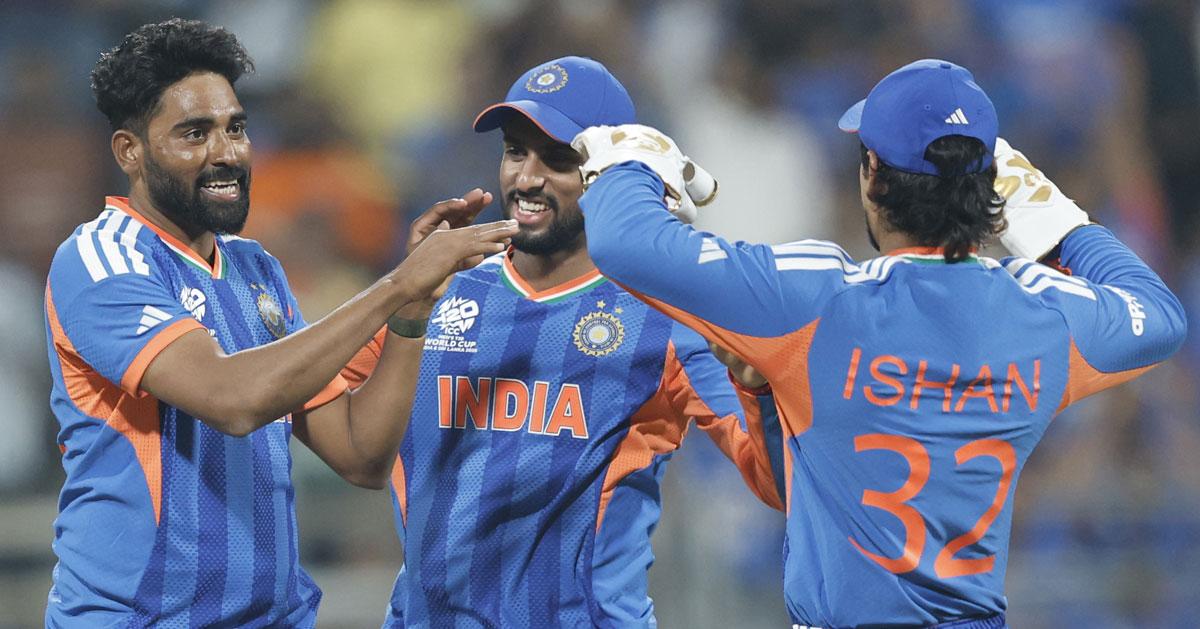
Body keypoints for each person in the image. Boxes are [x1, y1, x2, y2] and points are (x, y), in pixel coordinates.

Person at [574, 59, 1187, 627]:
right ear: (985, 185)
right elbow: (1159, 314)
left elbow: (623, 240)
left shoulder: (816, 299)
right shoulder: (1042, 313)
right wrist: (1055, 223)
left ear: (874, 177)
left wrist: (634, 164)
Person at [44, 19, 516, 627]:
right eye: (195, 133)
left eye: (235, 128)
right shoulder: (100, 259)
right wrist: (397, 282)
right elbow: (232, 400)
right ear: (129, 151)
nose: (227, 153)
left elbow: (361, 455)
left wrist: (412, 308)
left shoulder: (255, 270)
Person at [372, 56, 784, 627]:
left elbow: (776, 483)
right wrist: (398, 295)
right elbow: (327, 413)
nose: (526, 179)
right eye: (515, 151)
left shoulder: (668, 318)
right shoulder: (437, 293)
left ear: (610, 172)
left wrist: (759, 391)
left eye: (558, 159)